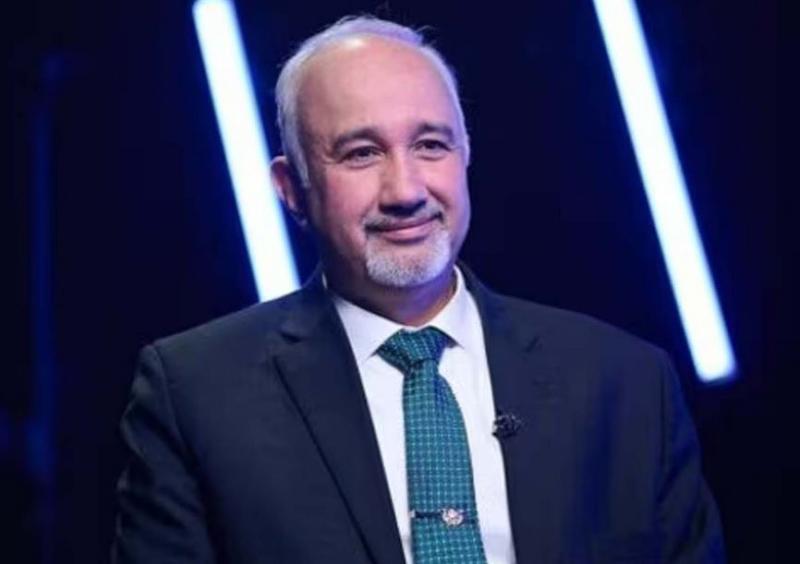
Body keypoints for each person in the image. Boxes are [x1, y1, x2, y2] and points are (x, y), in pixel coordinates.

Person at [112, 16, 724, 564]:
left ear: (465, 157)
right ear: (291, 189)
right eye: (361, 153)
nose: (405, 190)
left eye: (430, 145)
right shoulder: (194, 395)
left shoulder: (628, 384)